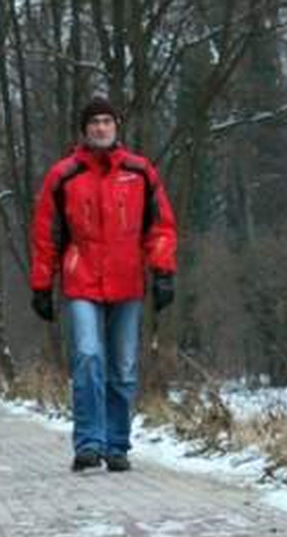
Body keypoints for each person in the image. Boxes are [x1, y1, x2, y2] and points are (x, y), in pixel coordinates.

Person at [28, 96, 178, 472]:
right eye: (93, 122)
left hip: (127, 281)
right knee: (89, 358)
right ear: (84, 130)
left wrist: (163, 272)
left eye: (107, 121)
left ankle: (117, 445)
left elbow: (160, 226)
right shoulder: (64, 175)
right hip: (81, 280)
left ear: (116, 127)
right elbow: (46, 234)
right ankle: (89, 444)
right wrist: (42, 285)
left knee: (124, 367)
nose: (100, 127)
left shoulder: (140, 172)